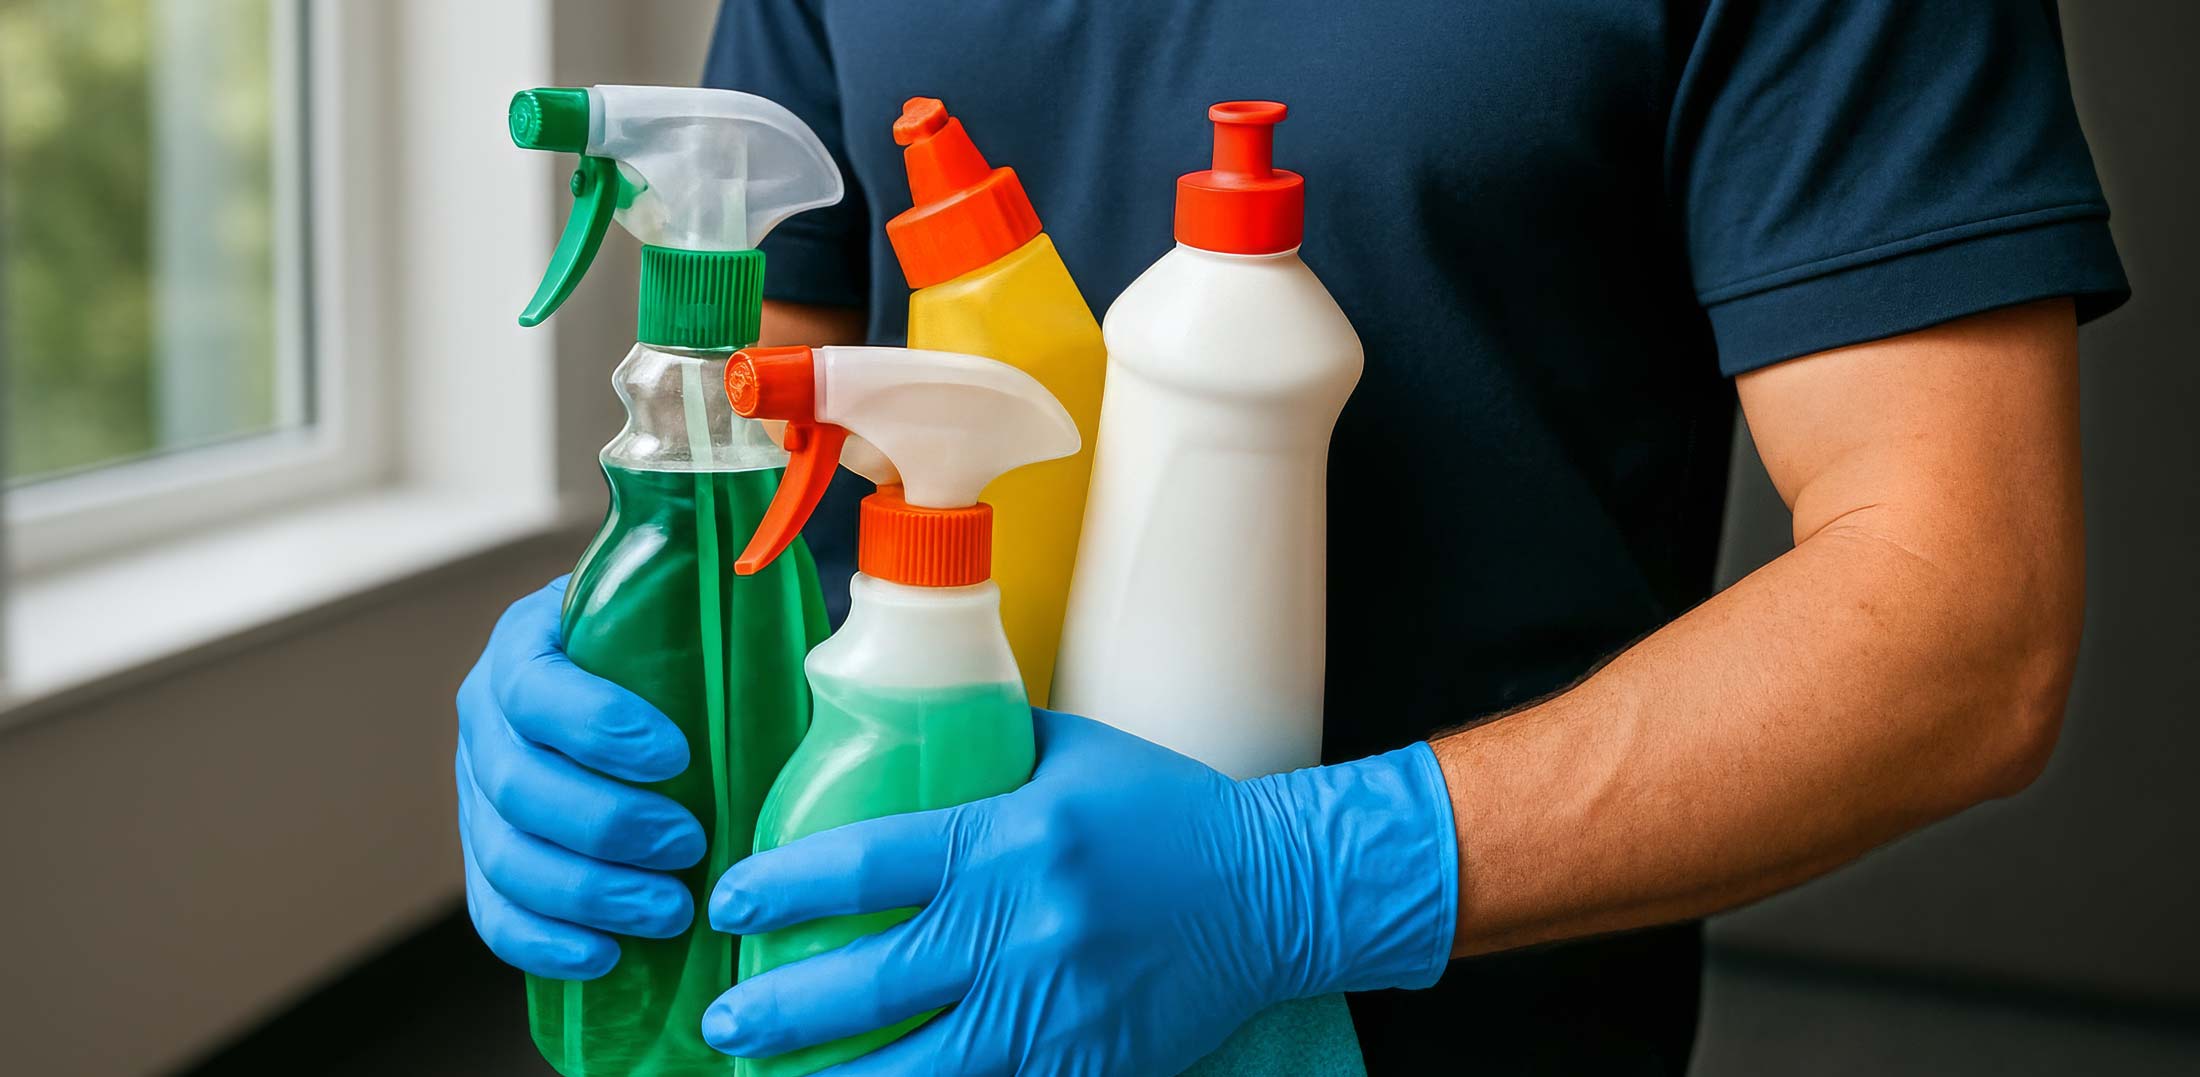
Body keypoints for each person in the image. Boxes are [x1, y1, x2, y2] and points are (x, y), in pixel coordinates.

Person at [454, 3, 2127, 1072]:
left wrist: (1301, 881)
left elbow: (1962, 612)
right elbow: (761, 404)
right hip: (874, 1014)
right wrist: (618, 676)